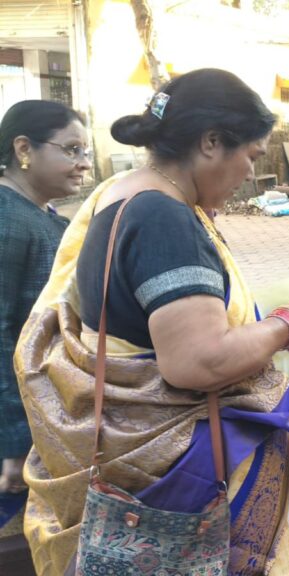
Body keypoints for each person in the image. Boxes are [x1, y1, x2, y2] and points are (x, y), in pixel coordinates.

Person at [15, 68, 289, 575]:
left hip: (130, 458)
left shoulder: (120, 194)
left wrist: (267, 316)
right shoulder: (164, 219)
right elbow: (198, 361)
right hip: (176, 476)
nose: (248, 174)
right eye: (251, 155)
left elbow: (153, 324)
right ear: (211, 142)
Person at [0, 100, 89, 551]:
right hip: (17, 430)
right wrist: (13, 443)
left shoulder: (39, 214)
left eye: (85, 152)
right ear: (23, 149)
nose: (84, 163)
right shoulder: (7, 219)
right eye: (71, 149)